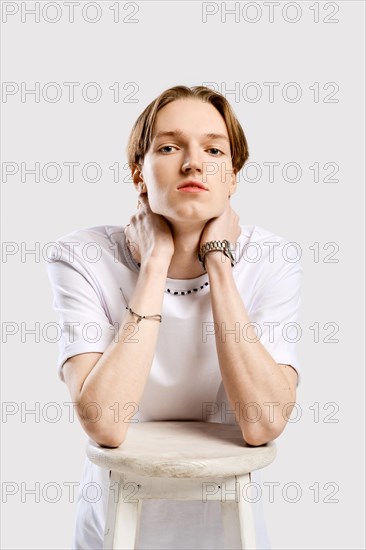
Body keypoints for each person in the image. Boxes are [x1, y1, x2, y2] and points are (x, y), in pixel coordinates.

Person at [46, 85, 303, 549]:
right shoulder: (80, 256)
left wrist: (218, 262)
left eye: (213, 149)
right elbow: (105, 421)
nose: (193, 163)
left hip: (230, 532)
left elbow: (263, 422)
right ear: (138, 174)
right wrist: (155, 264)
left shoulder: (273, 258)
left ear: (233, 177)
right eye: (168, 147)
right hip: (114, 529)